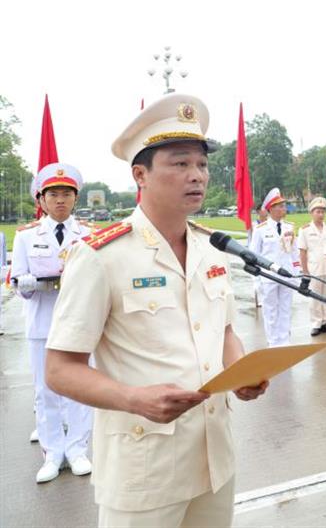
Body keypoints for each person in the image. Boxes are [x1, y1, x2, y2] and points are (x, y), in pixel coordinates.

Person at [44, 93, 267, 527]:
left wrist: (241, 371)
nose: (197, 175)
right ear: (140, 175)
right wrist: (132, 398)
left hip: (214, 456)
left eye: (201, 165)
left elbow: (223, 332)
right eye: (180, 163)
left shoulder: (211, 247)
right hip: (145, 468)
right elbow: (59, 368)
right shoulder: (101, 256)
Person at [11, 163, 94, 483]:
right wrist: (28, 285)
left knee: (80, 388)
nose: (60, 200)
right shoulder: (27, 236)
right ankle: (52, 452)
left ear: (76, 199)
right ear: (41, 200)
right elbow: (18, 281)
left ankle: (77, 449)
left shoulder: (87, 234)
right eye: (53, 194)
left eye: (67, 194)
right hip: (42, 320)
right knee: (45, 390)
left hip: (79, 323)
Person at [249, 188, 300, 346]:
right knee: (270, 311)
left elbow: (294, 254)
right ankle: (273, 343)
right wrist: (256, 281)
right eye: (280, 206)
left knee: (285, 309)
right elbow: (253, 256)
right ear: (271, 209)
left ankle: (284, 341)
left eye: (283, 205)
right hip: (268, 276)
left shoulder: (289, 227)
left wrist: (298, 274)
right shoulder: (260, 230)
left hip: (287, 275)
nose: (283, 208)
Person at [298, 197, 326, 336]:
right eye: (318, 212)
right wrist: (305, 271)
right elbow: (302, 252)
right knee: (315, 298)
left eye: (322, 212)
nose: (320, 214)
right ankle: (316, 323)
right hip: (314, 269)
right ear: (311, 213)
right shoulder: (305, 230)